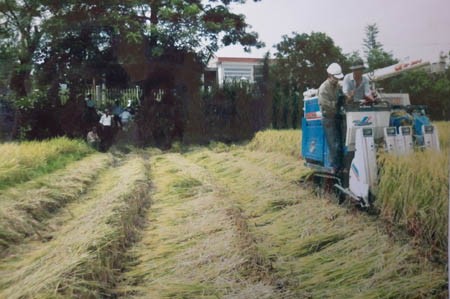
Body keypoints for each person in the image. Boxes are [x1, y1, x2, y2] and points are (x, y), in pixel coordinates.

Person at [318, 62, 344, 170]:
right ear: (330, 76)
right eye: (335, 78)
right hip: (328, 118)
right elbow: (325, 105)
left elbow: (344, 94)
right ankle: (335, 168)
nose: (337, 80)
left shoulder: (337, 86)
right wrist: (337, 104)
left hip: (337, 116)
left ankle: (342, 165)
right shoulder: (323, 88)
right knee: (334, 144)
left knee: (342, 143)